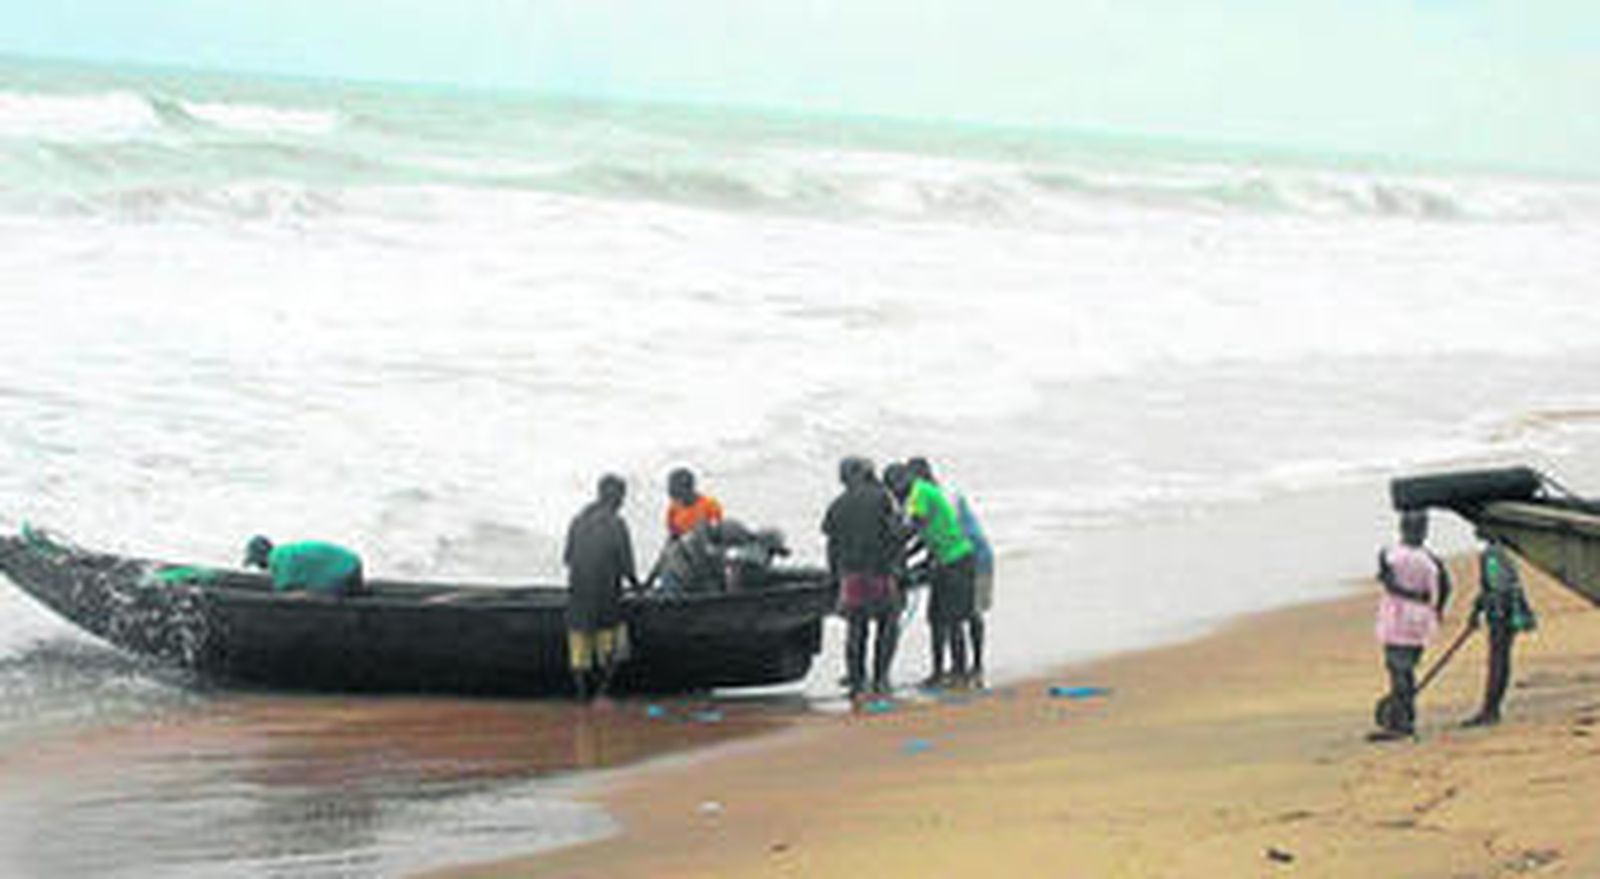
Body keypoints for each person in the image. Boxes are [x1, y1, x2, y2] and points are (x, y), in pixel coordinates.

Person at [887, 459, 977, 689]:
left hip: (957, 559)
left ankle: (960, 672)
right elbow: (923, 535)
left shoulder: (921, 492)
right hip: (943, 561)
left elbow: (915, 526)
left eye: (895, 490)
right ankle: (937, 673)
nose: (895, 497)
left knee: (954, 620)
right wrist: (907, 556)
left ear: (902, 482)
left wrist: (890, 545)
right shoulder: (921, 492)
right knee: (936, 619)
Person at [822, 456, 904, 698]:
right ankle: (881, 679)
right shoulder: (881, 496)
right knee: (888, 622)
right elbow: (894, 532)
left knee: (856, 628)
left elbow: (832, 546)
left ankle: (857, 683)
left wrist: (835, 578)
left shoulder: (836, 504)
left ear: (844, 477)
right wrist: (898, 565)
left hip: (852, 577)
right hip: (879, 572)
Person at [909, 457, 992, 685]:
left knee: (971, 612)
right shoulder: (930, 495)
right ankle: (959, 667)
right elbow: (931, 536)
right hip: (954, 556)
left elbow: (940, 531)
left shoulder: (942, 497)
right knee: (951, 614)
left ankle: (975, 665)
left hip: (976, 554)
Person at [1371, 509, 1452, 740]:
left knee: (1398, 669)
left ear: (1402, 529)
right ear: (1424, 531)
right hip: (1420, 618)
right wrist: (1437, 610)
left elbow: (1386, 580)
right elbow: (1446, 586)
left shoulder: (1390, 555)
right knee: (1406, 667)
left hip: (1396, 617)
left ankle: (1404, 721)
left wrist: (1397, 588)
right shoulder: (1432, 561)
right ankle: (1405, 714)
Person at [563, 474, 641, 702]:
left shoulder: (577, 520)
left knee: (580, 658)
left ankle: (582, 699)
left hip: (577, 601)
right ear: (614, 496)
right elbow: (627, 568)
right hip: (607, 603)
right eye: (622, 496)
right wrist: (639, 588)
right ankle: (601, 695)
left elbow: (568, 559)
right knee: (615, 655)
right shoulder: (617, 524)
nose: (623, 502)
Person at [1461, 537, 1537, 727]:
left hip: (1500, 614)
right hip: (1505, 613)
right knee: (1501, 661)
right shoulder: (1503, 552)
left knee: (1498, 662)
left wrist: (1478, 610)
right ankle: (1492, 709)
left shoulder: (1493, 554)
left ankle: (1490, 710)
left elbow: (1496, 586)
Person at [243, 535, 365, 596]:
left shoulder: (277, 558)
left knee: (299, 596)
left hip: (345, 574)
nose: (258, 568)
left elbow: (282, 593)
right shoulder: (285, 552)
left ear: (260, 558)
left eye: (256, 562)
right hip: (353, 565)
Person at [665, 467, 723, 540]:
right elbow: (673, 532)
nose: (678, 499)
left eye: (679, 493)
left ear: (690, 489)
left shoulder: (710, 505)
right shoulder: (674, 507)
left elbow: (716, 530)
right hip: (683, 545)